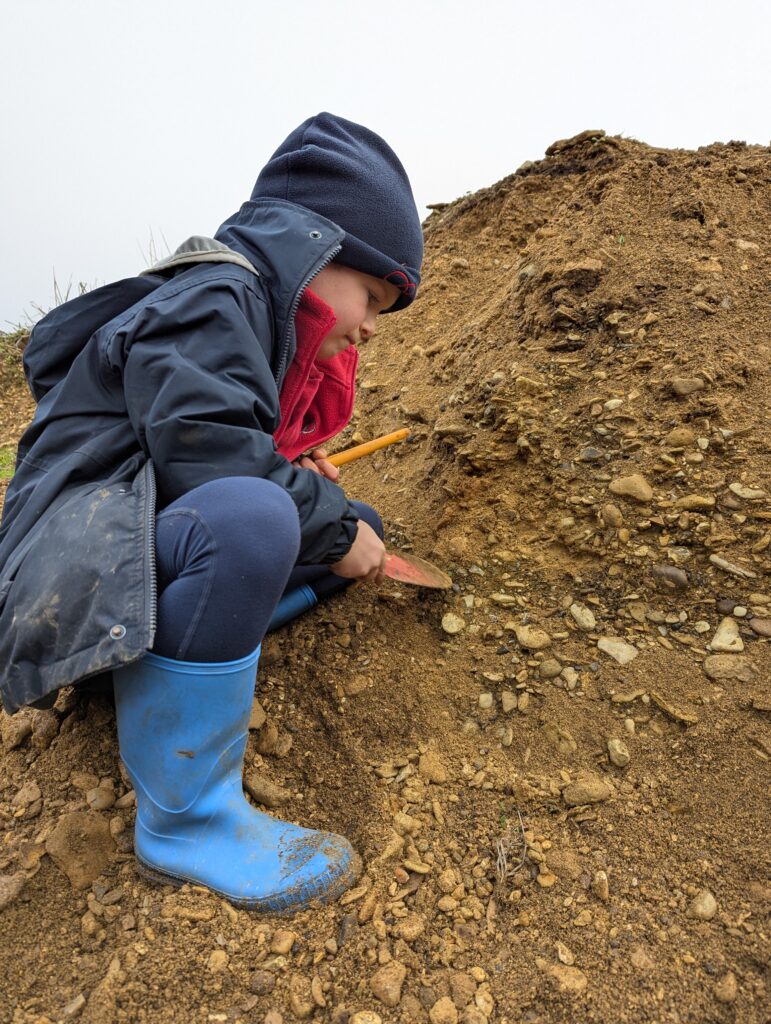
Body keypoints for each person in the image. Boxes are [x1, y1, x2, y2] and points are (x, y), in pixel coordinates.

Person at [0, 113, 423, 912]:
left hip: (113, 560)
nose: (370, 325)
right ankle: (185, 822)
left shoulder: (243, 312)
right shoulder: (213, 295)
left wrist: (319, 501)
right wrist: (320, 522)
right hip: (62, 579)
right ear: (316, 250)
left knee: (340, 514)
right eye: (371, 294)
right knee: (266, 519)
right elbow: (214, 456)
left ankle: (159, 658)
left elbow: (197, 451)